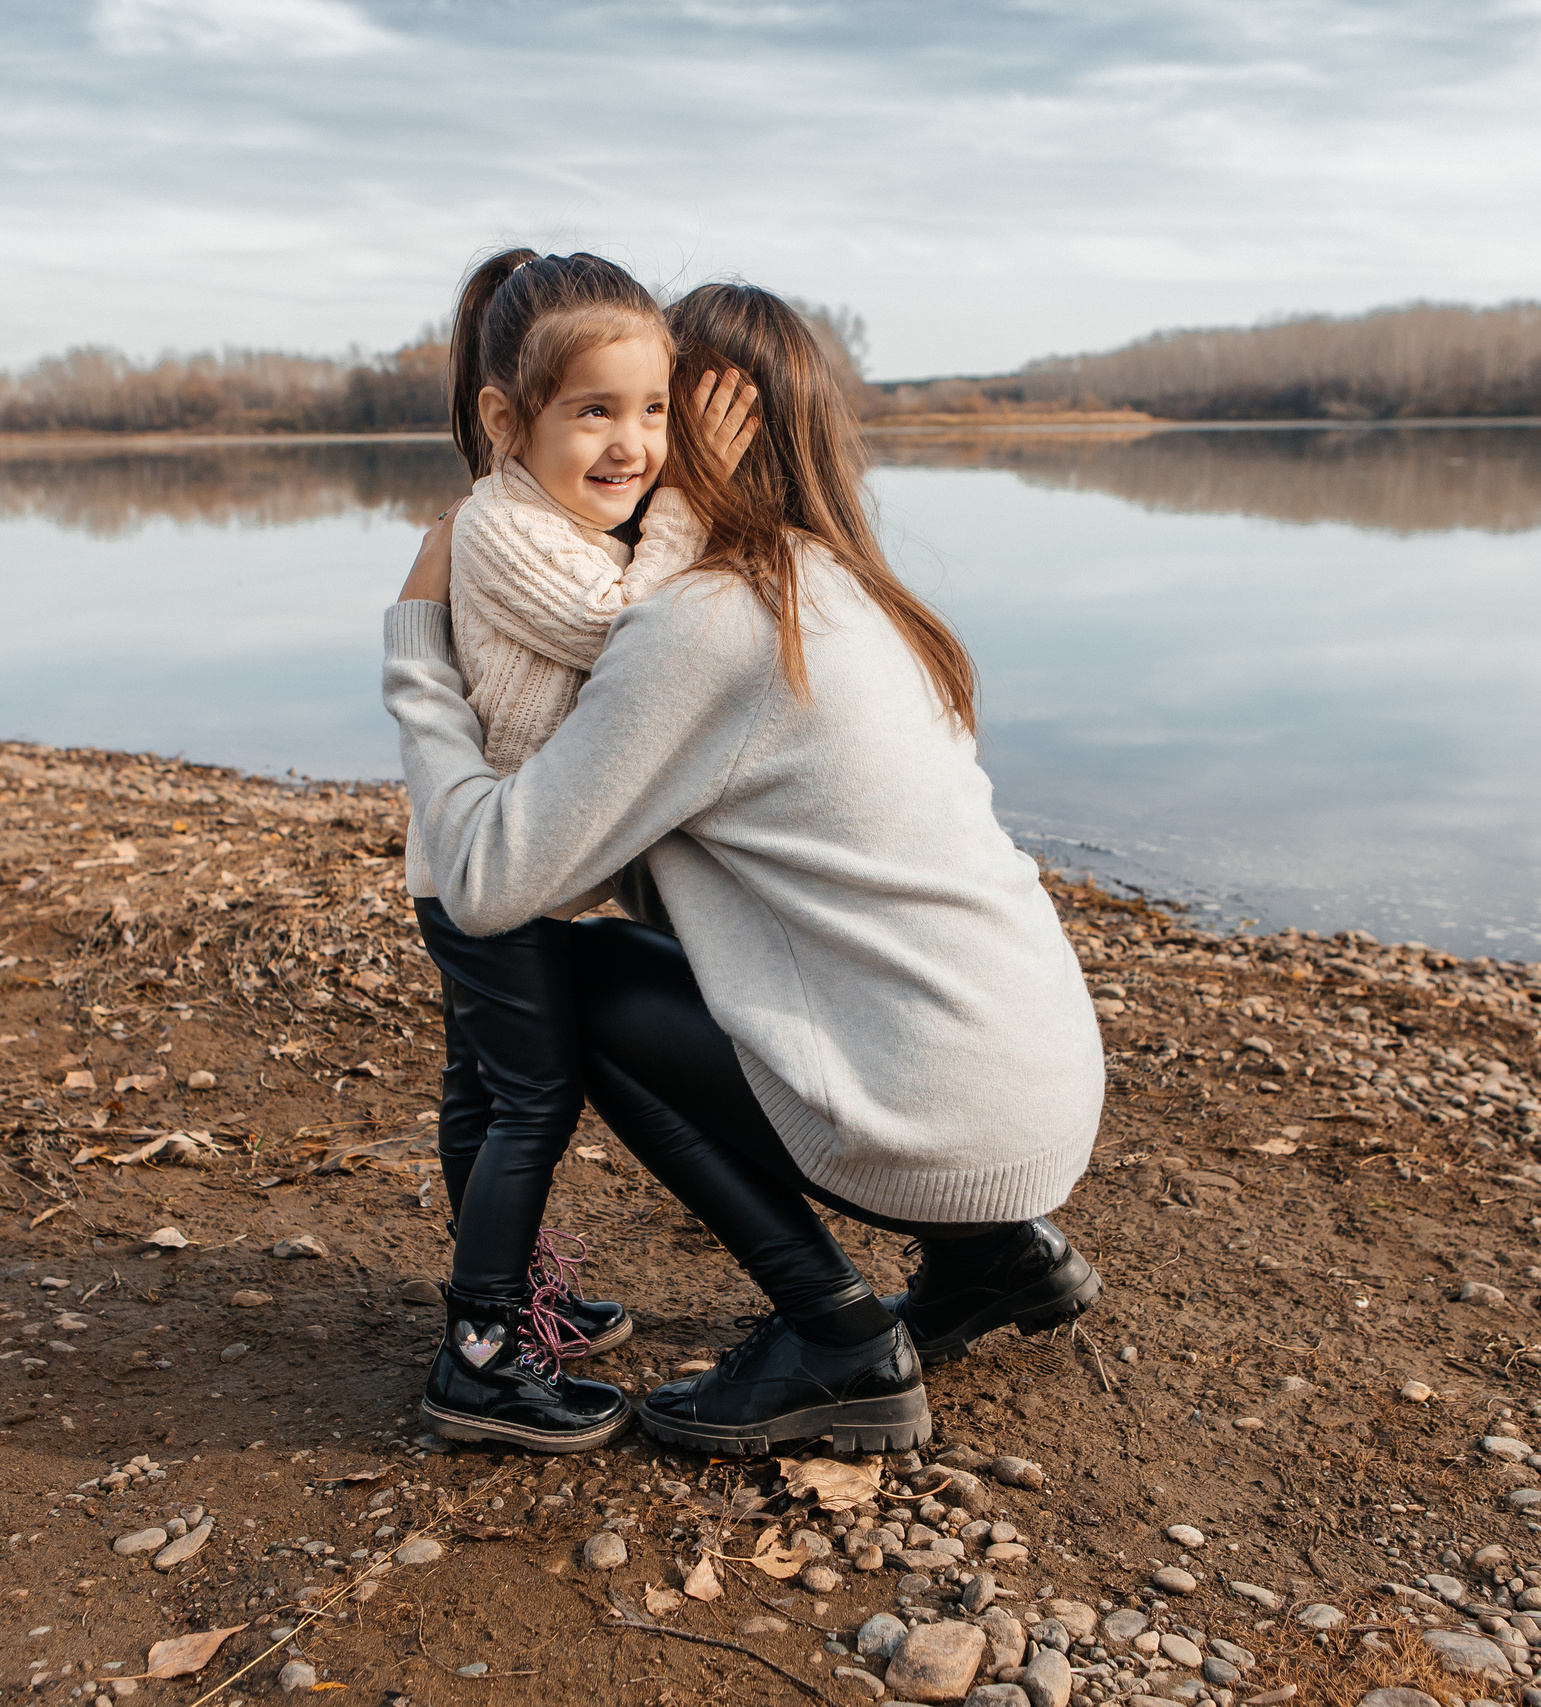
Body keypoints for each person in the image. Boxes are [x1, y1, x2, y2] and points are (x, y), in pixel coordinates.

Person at [386, 280, 1104, 1455]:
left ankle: (832, 1333)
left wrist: (417, 651)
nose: (637, 445)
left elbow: (487, 882)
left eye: (666, 408)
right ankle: (994, 1260)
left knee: (588, 985)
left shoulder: (706, 624)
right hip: (1037, 1101)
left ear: (713, 429)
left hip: (938, 1119)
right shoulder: (850, 587)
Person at [410, 248, 757, 1453]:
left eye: (657, 414)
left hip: (501, 871)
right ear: (509, 421)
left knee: (485, 1097)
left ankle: (513, 1304)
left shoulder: (562, 519)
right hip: (495, 879)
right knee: (533, 1106)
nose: (633, 446)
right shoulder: (501, 527)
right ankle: (483, 1350)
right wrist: (698, 501)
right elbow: (633, 640)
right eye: (594, 413)